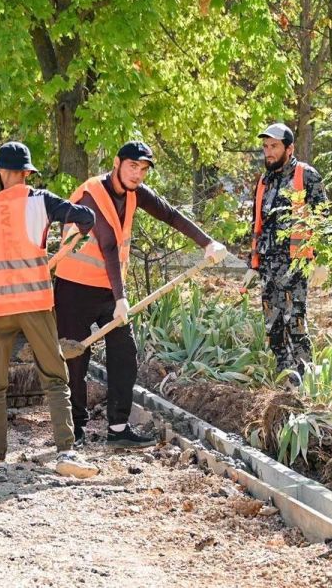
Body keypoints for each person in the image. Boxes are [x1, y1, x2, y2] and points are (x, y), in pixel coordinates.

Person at [54, 141, 229, 448]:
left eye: (144, 169)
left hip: (109, 288)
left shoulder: (134, 194)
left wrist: (207, 242)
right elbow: (107, 243)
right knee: (75, 359)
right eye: (133, 166)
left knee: (125, 355)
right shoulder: (90, 195)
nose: (138, 174)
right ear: (116, 163)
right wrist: (122, 300)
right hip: (74, 287)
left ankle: (119, 429)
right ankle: (74, 431)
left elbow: (170, 215)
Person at [0, 141, 99, 482]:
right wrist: (82, 234)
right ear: (28, 172)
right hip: (34, 305)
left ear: (0, 171)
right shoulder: (41, 201)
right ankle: (65, 451)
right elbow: (86, 216)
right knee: (56, 380)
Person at [244, 123, 328, 385]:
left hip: (296, 266)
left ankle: (307, 386)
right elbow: (257, 225)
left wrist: (321, 260)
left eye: (274, 147)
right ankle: (285, 382)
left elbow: (322, 220)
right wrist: (253, 264)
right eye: (265, 147)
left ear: (289, 148)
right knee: (274, 329)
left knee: (296, 326)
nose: (268, 152)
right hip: (268, 270)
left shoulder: (306, 176)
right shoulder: (264, 181)